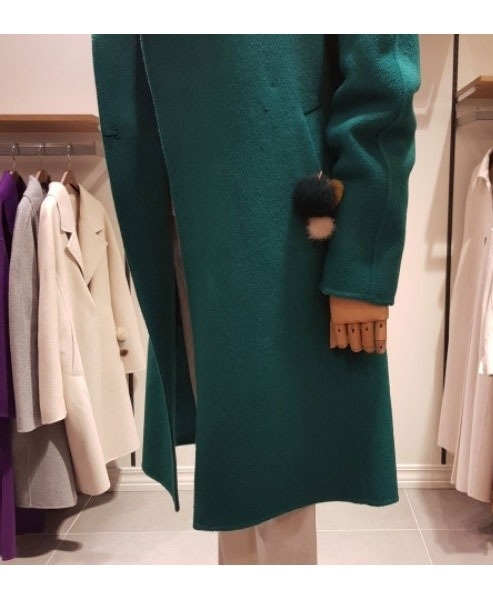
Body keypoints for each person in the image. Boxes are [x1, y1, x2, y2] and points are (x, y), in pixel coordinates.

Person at [92, 34, 420, 564]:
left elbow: (382, 82)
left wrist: (361, 262)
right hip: (185, 213)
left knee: (279, 483)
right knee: (236, 472)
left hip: (275, 214)